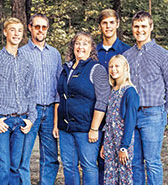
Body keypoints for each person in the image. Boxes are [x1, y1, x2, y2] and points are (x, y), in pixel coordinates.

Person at [0, 17, 37, 185]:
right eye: (12, 30)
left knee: (15, 167)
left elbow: (31, 93)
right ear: (5, 32)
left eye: (19, 30)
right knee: (2, 166)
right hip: (2, 122)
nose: (16, 33)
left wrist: (31, 119)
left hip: (21, 122)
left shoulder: (27, 63)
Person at [123, 11, 168, 185]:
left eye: (143, 26)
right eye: (136, 26)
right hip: (132, 116)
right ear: (132, 28)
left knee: (152, 162)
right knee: (135, 163)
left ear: (151, 27)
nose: (140, 30)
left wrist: (164, 111)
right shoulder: (126, 56)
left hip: (153, 114)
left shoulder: (163, 55)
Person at [57, 32, 110, 185]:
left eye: (85, 43)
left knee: (88, 166)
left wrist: (94, 128)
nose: (81, 46)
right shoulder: (66, 68)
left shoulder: (96, 69)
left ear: (91, 48)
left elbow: (103, 100)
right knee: (69, 166)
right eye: (78, 43)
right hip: (65, 128)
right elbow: (60, 97)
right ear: (73, 47)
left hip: (87, 129)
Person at [19, 13, 62, 185]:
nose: (41, 30)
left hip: (51, 110)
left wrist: (57, 117)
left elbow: (59, 85)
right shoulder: (21, 53)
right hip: (30, 110)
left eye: (44, 27)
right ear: (30, 27)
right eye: (37, 26)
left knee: (50, 157)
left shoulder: (55, 54)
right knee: (23, 156)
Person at [96, 9, 130, 184]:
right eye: (104, 23)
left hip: (118, 114)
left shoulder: (126, 51)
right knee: (101, 158)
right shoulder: (93, 51)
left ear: (117, 24)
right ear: (100, 26)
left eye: (111, 22)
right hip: (97, 111)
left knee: (121, 160)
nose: (108, 26)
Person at [100, 54, 139, 185]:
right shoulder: (112, 90)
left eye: (117, 66)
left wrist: (124, 147)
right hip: (110, 139)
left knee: (124, 174)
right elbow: (109, 119)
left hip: (123, 139)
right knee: (110, 173)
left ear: (125, 68)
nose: (113, 69)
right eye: (111, 66)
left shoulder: (130, 92)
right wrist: (104, 144)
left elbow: (130, 122)